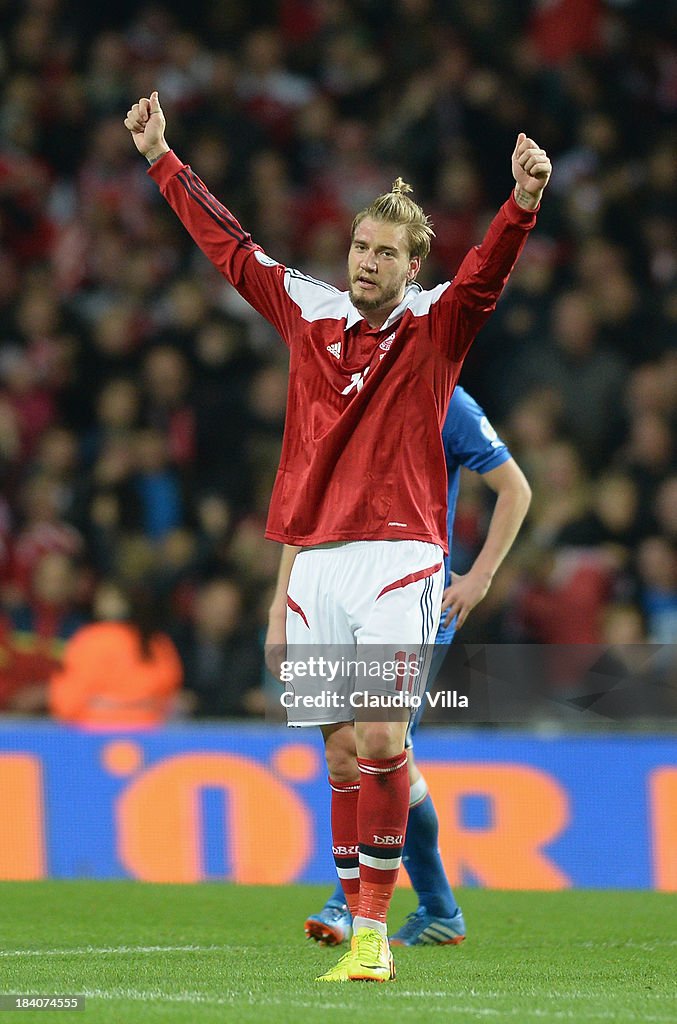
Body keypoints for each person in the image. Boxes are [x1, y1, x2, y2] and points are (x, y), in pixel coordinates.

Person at [125, 91, 550, 983]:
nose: (367, 261)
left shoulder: (436, 328)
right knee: (341, 746)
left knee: (386, 736)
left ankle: (370, 934)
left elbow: (485, 276)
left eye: (385, 252)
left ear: (411, 264)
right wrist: (162, 156)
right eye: (360, 246)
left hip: (399, 555)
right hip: (312, 559)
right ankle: (360, 908)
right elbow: (232, 251)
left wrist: (519, 206)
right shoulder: (307, 311)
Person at [266, 386, 531, 946]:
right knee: (350, 750)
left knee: (380, 743)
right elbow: (303, 510)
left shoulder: (443, 399)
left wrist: (479, 578)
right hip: (328, 590)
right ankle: (435, 906)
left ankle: (351, 904)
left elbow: (514, 488)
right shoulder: (336, 385)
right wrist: (278, 605)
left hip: (408, 594)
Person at [49, 579, 183, 729]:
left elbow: (66, 702)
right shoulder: (158, 641)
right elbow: (170, 698)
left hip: (94, 736)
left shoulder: (89, 639)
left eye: (108, 597)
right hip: (150, 737)